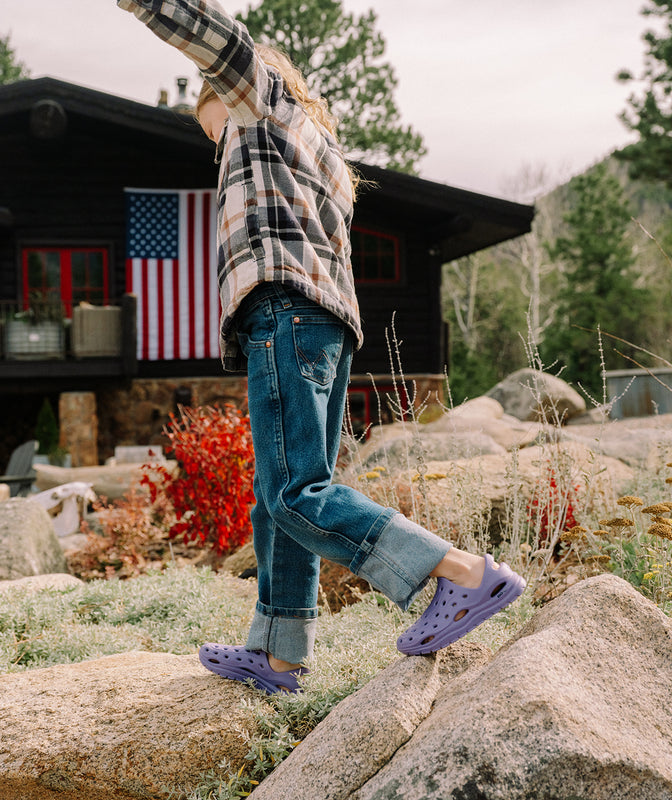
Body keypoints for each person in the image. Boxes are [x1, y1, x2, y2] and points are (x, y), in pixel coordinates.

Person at [115, 0, 525, 694]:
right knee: (281, 495)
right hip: (321, 325)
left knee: (296, 492)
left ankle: (462, 573)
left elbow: (214, 36)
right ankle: (279, 655)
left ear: (230, 93)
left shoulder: (260, 107)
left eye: (210, 125)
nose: (214, 142)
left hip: (285, 312)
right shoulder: (324, 153)